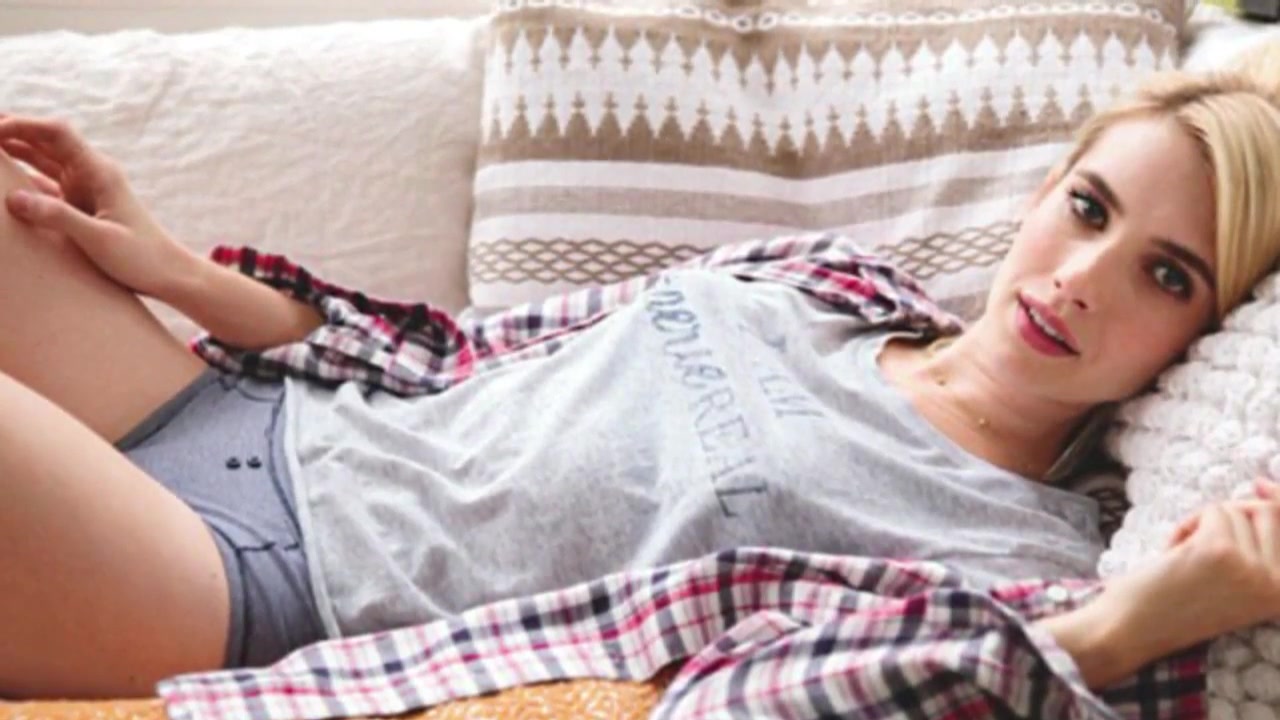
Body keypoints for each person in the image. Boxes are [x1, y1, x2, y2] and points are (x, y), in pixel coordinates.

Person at [1, 45, 1279, 701]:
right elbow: (465, 355)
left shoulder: (1025, 572)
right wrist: (169, 268)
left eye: (1167, 277)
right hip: (258, 414)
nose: (1082, 278)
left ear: (1205, 339)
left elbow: (749, 702)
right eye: (1087, 208)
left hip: (258, 593)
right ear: (1047, 190)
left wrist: (1125, 628)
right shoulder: (823, 285)